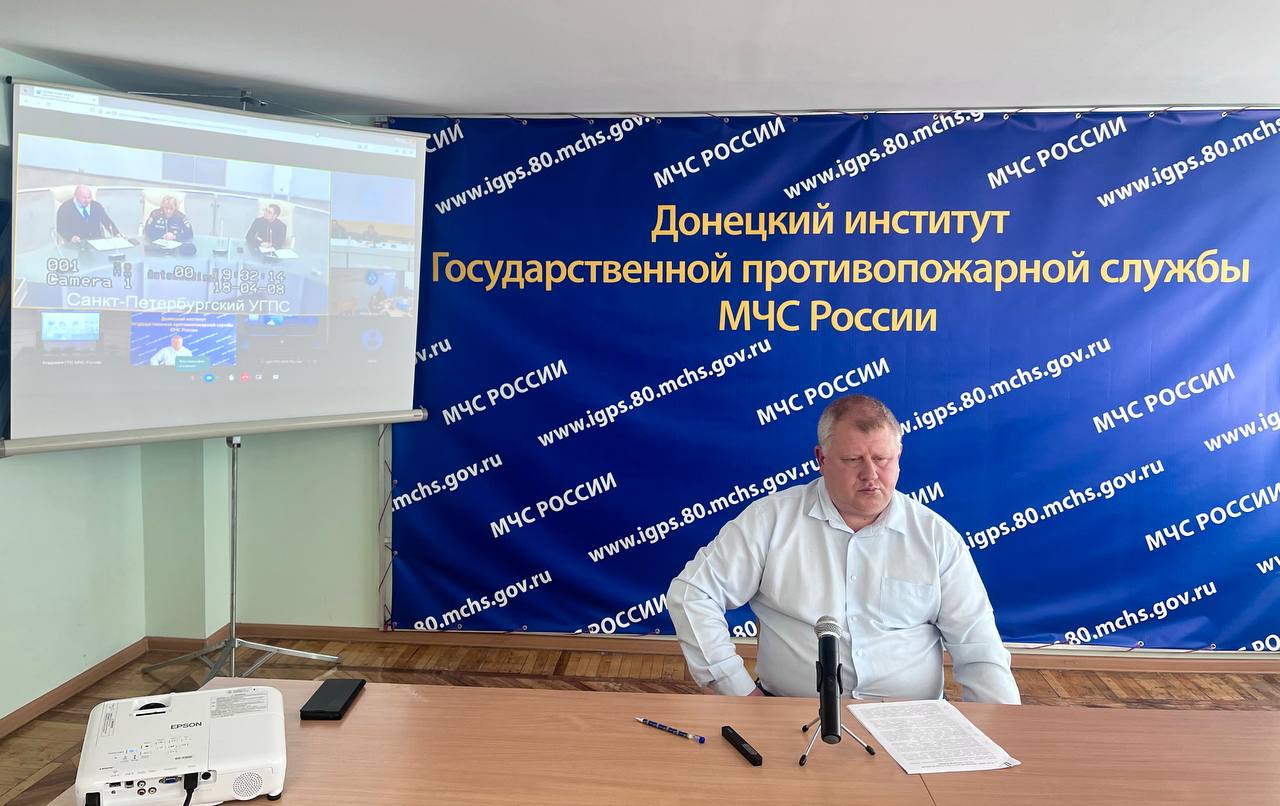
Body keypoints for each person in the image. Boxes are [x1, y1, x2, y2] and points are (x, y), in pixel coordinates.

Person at [666, 394, 1020, 704]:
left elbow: (979, 647)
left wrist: (999, 734)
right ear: (821, 458)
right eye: (853, 460)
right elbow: (692, 593)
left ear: (899, 456)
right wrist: (739, 692)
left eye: (882, 459)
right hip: (791, 714)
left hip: (912, 721)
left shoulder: (935, 537)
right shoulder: (770, 521)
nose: (870, 474)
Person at [55, 185, 123, 244]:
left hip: (97, 242)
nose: (87, 200)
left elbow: (107, 222)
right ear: (76, 196)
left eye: (89, 197)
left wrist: (117, 234)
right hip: (78, 244)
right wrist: (70, 237)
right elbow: (60, 227)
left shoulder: (96, 206)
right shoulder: (65, 208)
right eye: (84, 198)